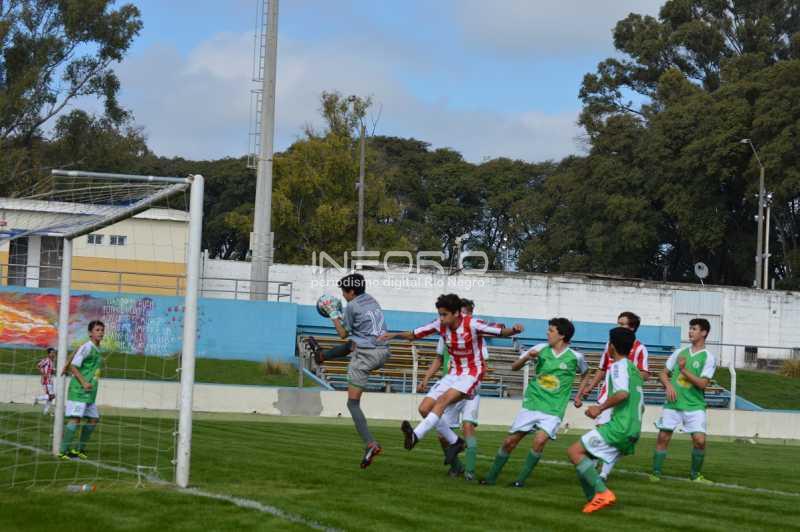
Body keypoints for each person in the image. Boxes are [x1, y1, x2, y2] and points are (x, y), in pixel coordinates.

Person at [380, 294, 523, 466]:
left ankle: (416, 435)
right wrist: (393, 335)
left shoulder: (472, 324)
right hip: (454, 373)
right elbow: (413, 335)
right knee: (424, 408)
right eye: (439, 314)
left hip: (472, 373)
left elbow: (499, 331)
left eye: (444, 314)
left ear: (456, 313)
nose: (441, 318)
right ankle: (456, 441)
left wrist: (514, 330)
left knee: (442, 401)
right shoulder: (440, 324)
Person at [481, 318, 588, 487]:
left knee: (539, 441)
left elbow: (585, 374)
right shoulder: (539, 348)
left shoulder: (576, 357)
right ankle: (490, 477)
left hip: (554, 408)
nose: (547, 333)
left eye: (551, 330)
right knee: (509, 442)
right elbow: (514, 367)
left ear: (562, 335)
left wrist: (579, 395)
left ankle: (520, 481)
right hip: (532, 403)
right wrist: (527, 358)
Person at [416, 298, 503, 480]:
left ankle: (470, 471)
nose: (465, 315)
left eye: (467, 312)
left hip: (468, 387)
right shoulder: (445, 332)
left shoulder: (475, 334)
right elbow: (439, 359)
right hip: (451, 384)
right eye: (463, 311)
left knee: (468, 426)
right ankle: (456, 466)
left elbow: (483, 363)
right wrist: (426, 377)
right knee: (442, 433)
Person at [311, 273, 390, 469]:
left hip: (367, 356)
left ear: (352, 291)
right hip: (383, 351)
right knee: (352, 344)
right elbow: (353, 334)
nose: (343, 295)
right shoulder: (371, 300)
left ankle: (370, 443)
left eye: (344, 292)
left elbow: (342, 333)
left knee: (352, 403)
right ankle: (322, 356)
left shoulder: (352, 306)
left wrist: (333, 315)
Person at [566, 327, 645, 513]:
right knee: (584, 459)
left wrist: (599, 408)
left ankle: (602, 493)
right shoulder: (633, 369)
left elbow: (622, 394)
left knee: (574, 452)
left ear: (612, 346)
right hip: (632, 428)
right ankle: (593, 499)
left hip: (620, 427)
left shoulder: (618, 366)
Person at [575, 311, 649, 480]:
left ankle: (603, 473)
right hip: (607, 393)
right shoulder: (610, 344)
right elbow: (602, 368)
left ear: (632, 328)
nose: (619, 326)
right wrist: (590, 387)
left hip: (623, 395)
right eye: (618, 323)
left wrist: (628, 375)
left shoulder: (640, 349)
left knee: (612, 434)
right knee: (603, 429)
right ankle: (595, 466)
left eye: (622, 324)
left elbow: (644, 374)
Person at [651, 318, 716, 484]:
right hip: (673, 403)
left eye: (694, 329)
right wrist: (668, 386)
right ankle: (655, 473)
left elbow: (702, 384)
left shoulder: (708, 357)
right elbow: (663, 373)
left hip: (695, 405)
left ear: (704, 332)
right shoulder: (679, 352)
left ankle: (695, 475)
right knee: (663, 437)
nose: (690, 331)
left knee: (700, 441)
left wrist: (683, 370)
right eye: (690, 328)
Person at [59, 321, 105, 460]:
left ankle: (79, 449)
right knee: (76, 419)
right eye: (97, 330)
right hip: (79, 389)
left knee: (94, 419)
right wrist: (84, 382)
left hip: (89, 391)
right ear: (90, 333)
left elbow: (76, 356)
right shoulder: (87, 347)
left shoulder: (97, 348)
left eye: (102, 330)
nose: (101, 332)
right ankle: (63, 451)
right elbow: (73, 366)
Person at [34, 347, 56, 415]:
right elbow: (38, 366)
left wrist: (54, 371)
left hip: (50, 380)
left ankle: (45, 412)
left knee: (50, 397)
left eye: (54, 352)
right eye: (52, 353)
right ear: (49, 354)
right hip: (46, 381)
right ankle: (37, 398)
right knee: (51, 396)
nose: (53, 354)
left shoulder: (52, 361)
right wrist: (44, 374)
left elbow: (51, 371)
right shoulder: (46, 360)